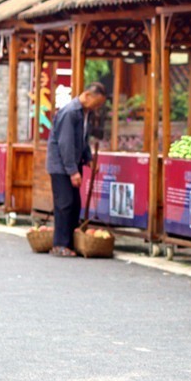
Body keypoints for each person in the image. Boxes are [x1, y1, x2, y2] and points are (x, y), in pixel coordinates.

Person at [46, 82, 108, 257]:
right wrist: (73, 171)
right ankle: (60, 244)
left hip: (71, 163)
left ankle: (71, 243)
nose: (97, 107)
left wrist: (88, 158)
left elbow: (82, 139)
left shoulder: (83, 113)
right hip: (61, 165)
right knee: (64, 204)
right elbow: (65, 144)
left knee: (74, 204)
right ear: (87, 95)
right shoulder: (70, 113)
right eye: (97, 103)